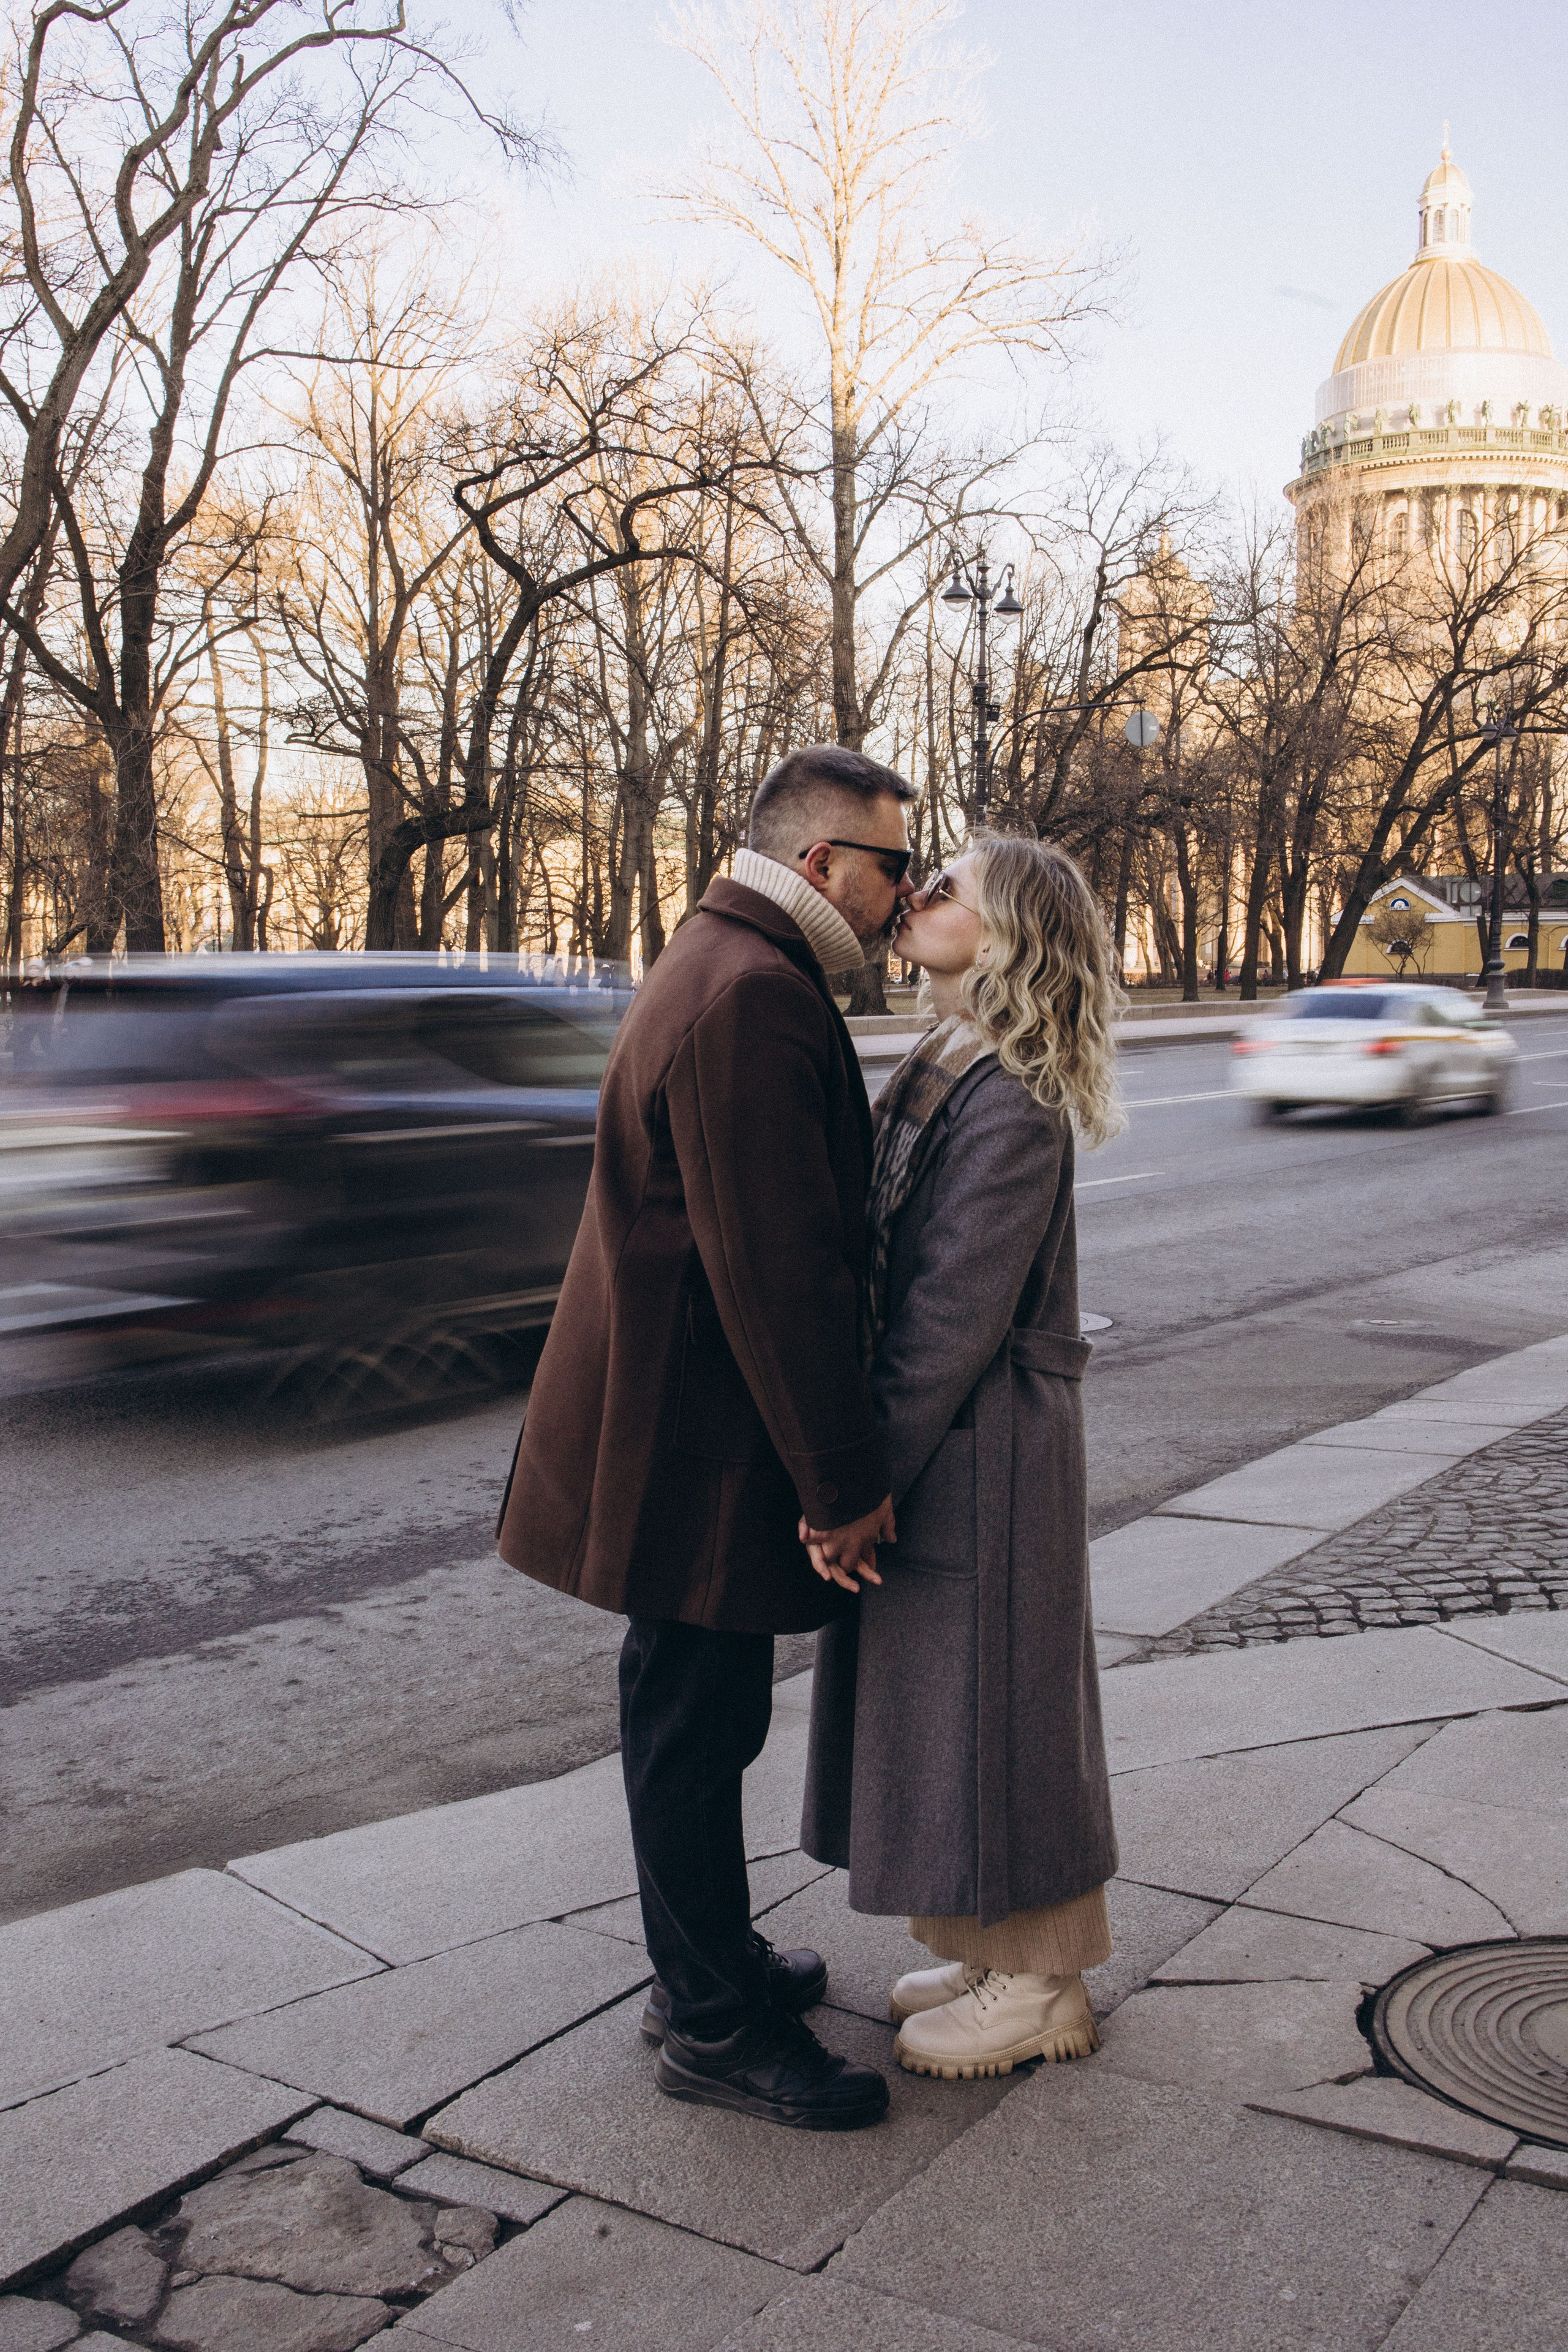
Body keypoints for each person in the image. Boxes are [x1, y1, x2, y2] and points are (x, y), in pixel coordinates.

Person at [497, 744, 916, 2131]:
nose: (898, 898)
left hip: (680, 1425)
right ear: (818, 865)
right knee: (689, 1722)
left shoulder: (723, 959)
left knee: (695, 1714)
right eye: (889, 867)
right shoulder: (749, 996)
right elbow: (775, 1267)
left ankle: (707, 1967)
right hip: (701, 1441)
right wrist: (839, 1482)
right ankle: (711, 2027)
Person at [800, 834, 1124, 2081]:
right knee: (958, 1708)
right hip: (961, 1441)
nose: (916, 898)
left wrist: (855, 1483)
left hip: (985, 1450)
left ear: (1001, 939)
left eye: (945, 891)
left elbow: (948, 1315)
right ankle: (992, 1948)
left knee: (1003, 1713)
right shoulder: (952, 1054)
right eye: (919, 879)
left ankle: (1044, 1982)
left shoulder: (1012, 1090)